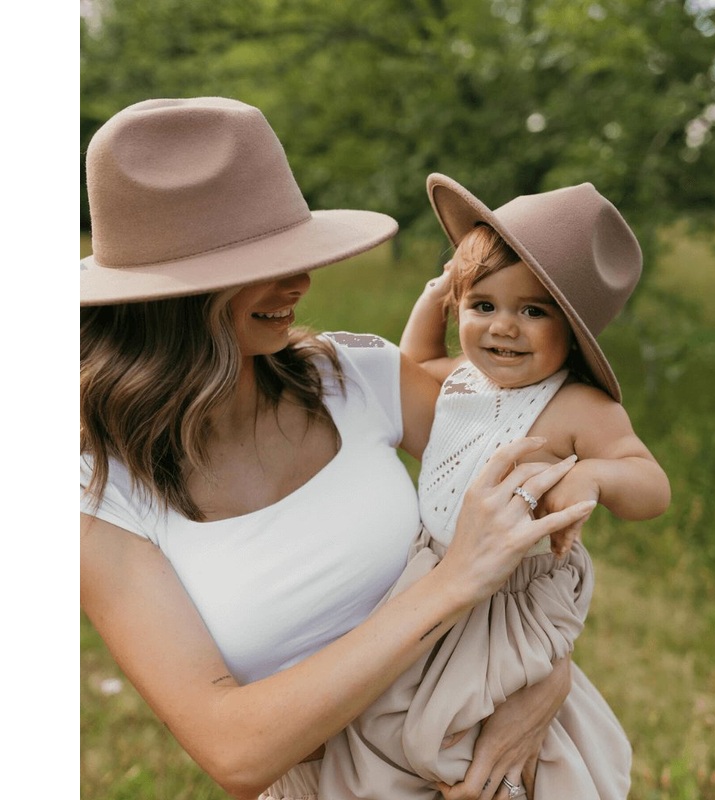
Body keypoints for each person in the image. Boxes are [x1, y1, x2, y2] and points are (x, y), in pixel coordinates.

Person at [80, 97, 600, 800]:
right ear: (172, 297)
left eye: (297, 253)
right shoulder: (98, 494)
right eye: (264, 264)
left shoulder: (356, 378)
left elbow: (540, 476)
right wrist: (451, 586)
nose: (301, 283)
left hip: (487, 759)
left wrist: (545, 669)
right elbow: (233, 751)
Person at [319, 175, 671, 800]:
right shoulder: (461, 379)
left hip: (508, 597)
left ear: (575, 327)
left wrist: (594, 474)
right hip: (435, 572)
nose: (502, 328)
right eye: (482, 305)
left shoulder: (576, 406)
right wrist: (434, 296)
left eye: (532, 310)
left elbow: (650, 484)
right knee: (388, 713)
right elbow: (414, 364)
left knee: (465, 726)